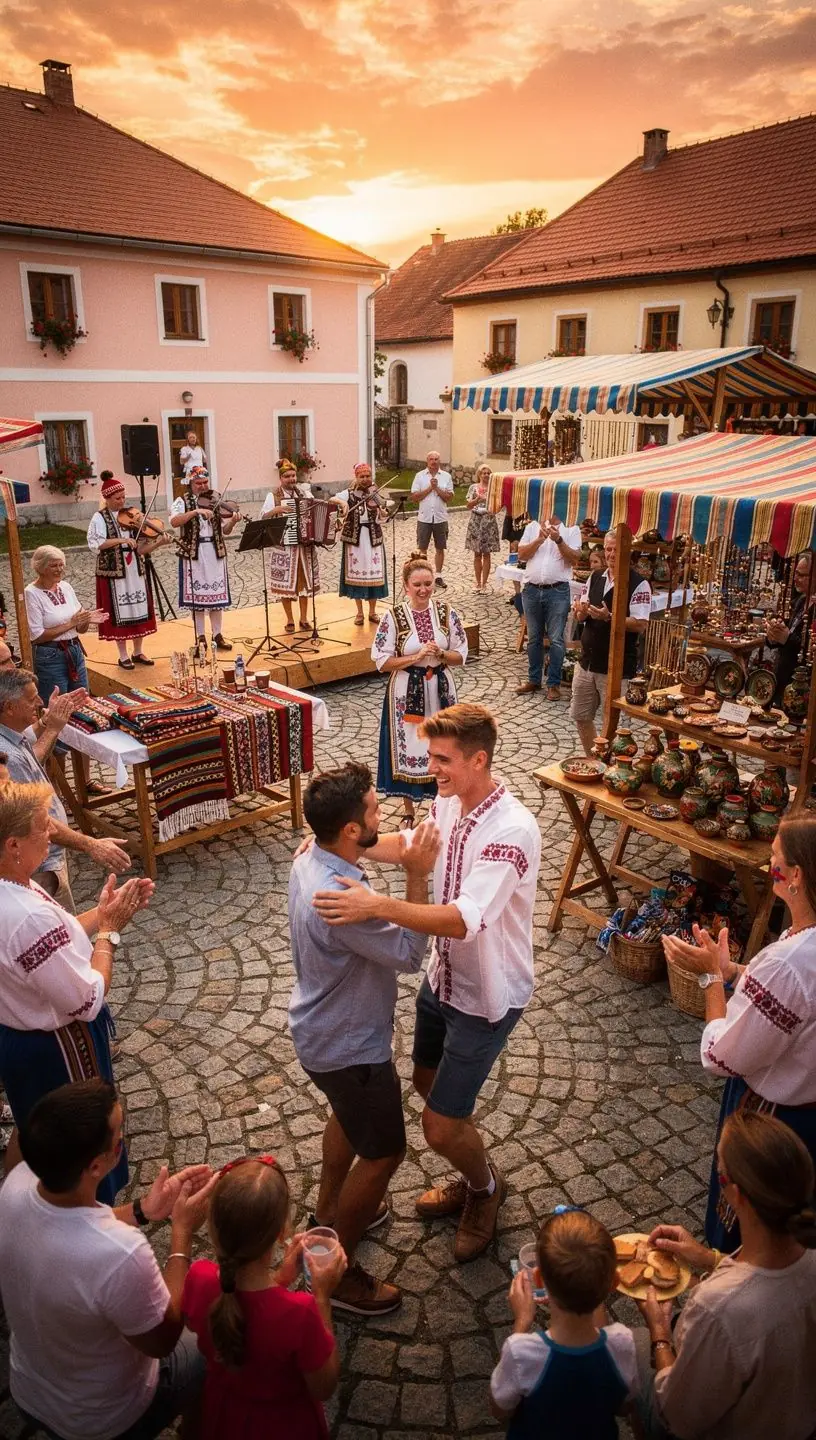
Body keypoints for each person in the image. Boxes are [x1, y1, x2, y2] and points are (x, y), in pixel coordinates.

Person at [313, 703, 541, 1263]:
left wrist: (376, 905)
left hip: (486, 995)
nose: (430, 767)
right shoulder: (448, 800)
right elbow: (411, 849)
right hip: (442, 980)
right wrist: (334, 844)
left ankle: (485, 1190)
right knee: (424, 1082)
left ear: (479, 759)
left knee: (439, 1126)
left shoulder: (512, 830)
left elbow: (464, 918)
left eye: (442, 759)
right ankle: (475, 1167)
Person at [289, 763, 437, 1314]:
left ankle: (328, 1213)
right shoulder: (341, 897)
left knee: (348, 1122)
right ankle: (335, 1271)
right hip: (351, 1046)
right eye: (374, 810)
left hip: (321, 1034)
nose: (383, 815)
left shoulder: (314, 855)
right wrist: (418, 872)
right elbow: (407, 954)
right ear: (350, 830)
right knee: (384, 1152)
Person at [0, 1078, 214, 1440]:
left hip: (29, 1387)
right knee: (209, 1345)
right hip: (104, 1418)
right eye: (119, 1140)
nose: (121, 1145)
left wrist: (143, 1210)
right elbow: (162, 1340)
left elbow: (69, 1225)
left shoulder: (15, 1185)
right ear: (98, 1166)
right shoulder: (120, 1252)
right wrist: (182, 1234)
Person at [662, 814, 816, 1254]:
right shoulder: (798, 951)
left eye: (774, 861)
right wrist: (733, 970)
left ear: (797, 876)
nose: (770, 869)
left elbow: (721, 1056)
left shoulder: (789, 962)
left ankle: (728, 1292)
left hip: (776, 1120)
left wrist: (712, 979)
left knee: (751, 1236)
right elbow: (795, 999)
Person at [0, 781, 152, 1196]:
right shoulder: (25, 915)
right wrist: (109, 933)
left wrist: (102, 912)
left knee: (34, 1126)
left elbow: (53, 941)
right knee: (79, 1145)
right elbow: (87, 998)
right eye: (40, 828)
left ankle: (14, 1205)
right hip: (58, 1048)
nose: (50, 833)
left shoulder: (14, 888)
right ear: (13, 845)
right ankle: (88, 1219)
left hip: (18, 1038)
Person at [635, 1110, 816, 1440]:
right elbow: (772, 1280)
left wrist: (659, 1334)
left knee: (627, 1353)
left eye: (720, 1176)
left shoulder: (716, 1308)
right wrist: (707, 1258)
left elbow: (679, 1415)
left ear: (736, 1196)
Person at [183, 1154, 345, 1439]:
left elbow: (246, 1307)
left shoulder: (199, 1278)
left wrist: (281, 1279)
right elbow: (324, 1386)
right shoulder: (301, 1312)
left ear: (213, 1226)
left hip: (221, 1416)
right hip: (283, 1425)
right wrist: (322, 1297)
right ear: (282, 1233)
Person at [490, 1208, 639, 1436]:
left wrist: (522, 1322)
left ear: (539, 1279)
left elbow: (500, 1410)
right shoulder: (623, 1343)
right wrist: (592, 1281)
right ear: (614, 1283)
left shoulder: (521, 1352)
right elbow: (624, 1407)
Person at [0, 669, 131, 909]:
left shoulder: (11, 735)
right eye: (31, 699)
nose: (38, 703)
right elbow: (30, 818)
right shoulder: (6, 755)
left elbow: (31, 760)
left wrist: (49, 723)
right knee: (60, 932)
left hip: (44, 856)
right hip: (40, 864)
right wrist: (91, 844)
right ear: (9, 707)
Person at [372, 553, 467, 828]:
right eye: (418, 585)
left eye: (429, 583)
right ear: (406, 586)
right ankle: (409, 811)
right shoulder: (393, 617)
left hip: (441, 688)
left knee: (444, 744)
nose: (424, 590)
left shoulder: (447, 613)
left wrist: (442, 654)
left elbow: (461, 654)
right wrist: (414, 658)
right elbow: (381, 661)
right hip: (406, 690)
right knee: (410, 746)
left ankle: (444, 808)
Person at [25, 546, 109, 795]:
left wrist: (84, 622)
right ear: (41, 567)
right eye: (54, 565)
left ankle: (85, 780)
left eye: (61, 564)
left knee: (82, 712)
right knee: (56, 713)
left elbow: (78, 627)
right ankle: (57, 788)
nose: (60, 569)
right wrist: (71, 623)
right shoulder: (31, 594)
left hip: (73, 651)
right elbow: (37, 635)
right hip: (50, 656)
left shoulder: (67, 588)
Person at [570, 530, 652, 755]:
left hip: (617, 666)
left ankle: (613, 765)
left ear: (628, 552)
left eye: (617, 549)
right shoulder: (596, 576)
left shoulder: (639, 584)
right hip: (587, 662)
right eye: (608, 549)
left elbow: (641, 623)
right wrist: (580, 611)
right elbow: (582, 614)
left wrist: (610, 617)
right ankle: (594, 758)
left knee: (615, 724)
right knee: (580, 715)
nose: (612, 554)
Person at [86, 475, 157, 670]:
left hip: (134, 568)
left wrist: (158, 541)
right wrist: (121, 541)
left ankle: (138, 651)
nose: (122, 501)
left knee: (138, 608)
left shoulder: (130, 516)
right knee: (120, 612)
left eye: (123, 497)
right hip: (114, 572)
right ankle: (123, 655)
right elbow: (96, 544)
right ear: (107, 499)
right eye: (117, 498)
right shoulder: (99, 517)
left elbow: (141, 548)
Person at [515, 511, 582, 700]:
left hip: (558, 590)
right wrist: (538, 540)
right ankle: (534, 680)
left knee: (556, 639)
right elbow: (521, 555)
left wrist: (559, 540)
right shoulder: (532, 526)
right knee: (534, 638)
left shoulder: (572, 528)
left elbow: (575, 559)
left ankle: (553, 683)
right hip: (532, 590)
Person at [170, 466, 238, 652]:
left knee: (216, 598)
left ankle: (217, 634)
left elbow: (225, 531)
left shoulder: (214, 500)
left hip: (214, 552)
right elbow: (174, 522)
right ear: (190, 483)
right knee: (197, 600)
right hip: (194, 553)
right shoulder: (181, 501)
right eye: (198, 483)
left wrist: (232, 521)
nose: (202, 486)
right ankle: (200, 636)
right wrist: (195, 512)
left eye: (205, 482)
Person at [260, 460, 320, 632]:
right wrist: (275, 511)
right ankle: (289, 619)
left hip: (304, 546)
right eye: (287, 476)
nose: (291, 479)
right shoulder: (273, 496)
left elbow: (315, 512)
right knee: (285, 586)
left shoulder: (305, 494)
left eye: (293, 475)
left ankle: (304, 617)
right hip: (284, 547)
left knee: (304, 584)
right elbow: (263, 517)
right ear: (280, 478)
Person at [335, 461, 389, 625]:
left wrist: (383, 512)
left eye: (368, 476)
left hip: (373, 539)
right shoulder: (349, 494)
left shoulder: (375, 492)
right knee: (356, 576)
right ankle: (359, 613)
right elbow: (332, 499)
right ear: (356, 477)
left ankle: (372, 612)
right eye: (362, 476)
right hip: (355, 540)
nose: (366, 479)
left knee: (374, 575)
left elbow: (384, 515)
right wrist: (342, 503)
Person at [766, 551, 814, 704]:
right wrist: (773, 634)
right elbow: (786, 631)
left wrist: (787, 638)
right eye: (795, 573)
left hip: (801, 682)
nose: (795, 579)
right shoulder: (800, 601)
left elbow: (809, 649)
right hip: (783, 675)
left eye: (801, 575)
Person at [411, 451, 454, 588]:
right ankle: (423, 575)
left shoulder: (446, 476)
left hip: (440, 517)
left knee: (440, 547)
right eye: (431, 459)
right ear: (427, 461)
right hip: (424, 517)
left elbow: (448, 497)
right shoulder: (420, 476)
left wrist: (437, 488)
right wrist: (430, 488)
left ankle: (439, 576)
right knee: (422, 548)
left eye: (436, 459)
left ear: (439, 461)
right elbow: (415, 497)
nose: (434, 462)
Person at [465, 464, 500, 593]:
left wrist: (492, 510)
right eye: (483, 473)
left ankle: (484, 584)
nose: (486, 475)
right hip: (475, 521)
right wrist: (477, 499)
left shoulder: (494, 488)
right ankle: (477, 582)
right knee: (476, 553)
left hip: (488, 521)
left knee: (487, 553)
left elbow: (499, 506)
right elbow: (468, 505)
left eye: (488, 473)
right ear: (479, 474)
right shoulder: (473, 488)